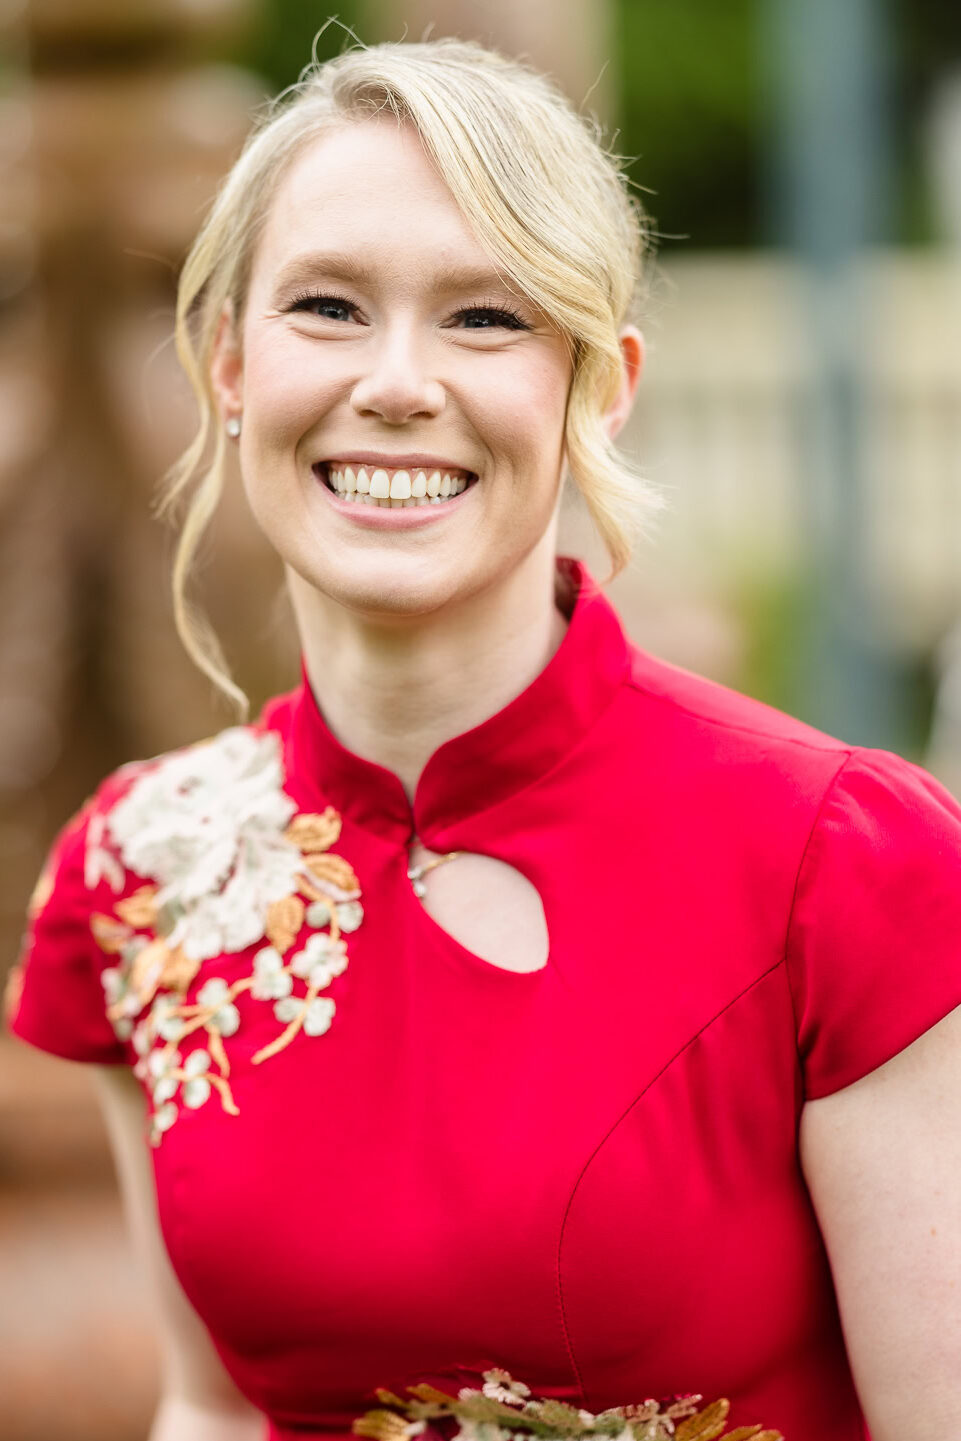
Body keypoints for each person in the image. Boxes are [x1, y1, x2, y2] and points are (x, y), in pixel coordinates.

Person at [6, 35, 961, 1441]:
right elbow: (208, 1405)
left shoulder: (842, 862)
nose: (397, 381)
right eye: (328, 307)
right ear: (226, 363)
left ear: (600, 382)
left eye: (484, 319)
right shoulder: (136, 876)